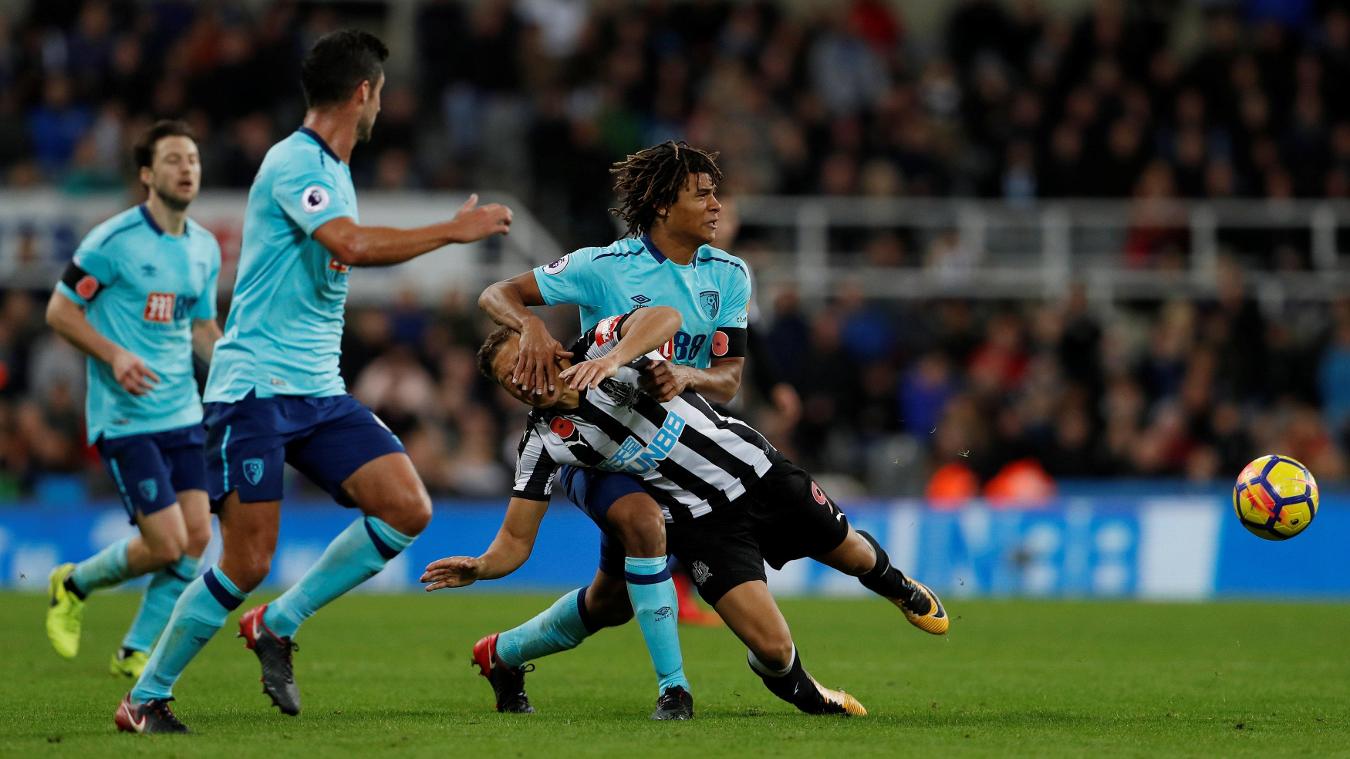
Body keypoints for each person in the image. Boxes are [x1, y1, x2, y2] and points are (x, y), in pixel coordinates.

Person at [114, 29, 513, 734]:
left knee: (406, 506)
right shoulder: (297, 161)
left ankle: (278, 621)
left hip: (317, 390)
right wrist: (453, 231)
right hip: (255, 391)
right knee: (245, 559)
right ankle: (145, 696)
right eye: (380, 93)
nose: (381, 106)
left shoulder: (334, 169)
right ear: (363, 93)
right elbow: (351, 246)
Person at [423, 307, 949, 717]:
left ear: (549, 348)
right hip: (702, 524)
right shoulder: (543, 445)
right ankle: (803, 690)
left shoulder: (606, 346)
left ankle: (900, 587)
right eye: (506, 379)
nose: (518, 379)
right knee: (773, 649)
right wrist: (481, 565)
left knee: (853, 555)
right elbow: (515, 541)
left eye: (520, 361)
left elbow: (666, 318)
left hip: (759, 474)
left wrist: (617, 357)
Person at [474, 141, 750, 719]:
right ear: (662, 205)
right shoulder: (602, 266)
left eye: (713, 193)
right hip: (593, 451)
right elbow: (494, 292)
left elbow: (722, 376)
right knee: (643, 523)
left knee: (610, 603)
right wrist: (527, 323)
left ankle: (501, 653)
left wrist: (676, 375)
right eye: (703, 193)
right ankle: (674, 690)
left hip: (673, 438)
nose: (716, 204)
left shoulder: (725, 275)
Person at [45, 119, 222, 680]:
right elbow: (60, 311)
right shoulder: (111, 242)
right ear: (147, 175)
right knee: (168, 543)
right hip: (125, 417)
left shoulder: (204, 247)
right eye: (173, 159)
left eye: (192, 158)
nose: (186, 168)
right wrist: (114, 355)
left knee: (195, 540)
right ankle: (72, 584)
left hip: (182, 414)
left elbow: (202, 328)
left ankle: (135, 649)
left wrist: (237, 375)